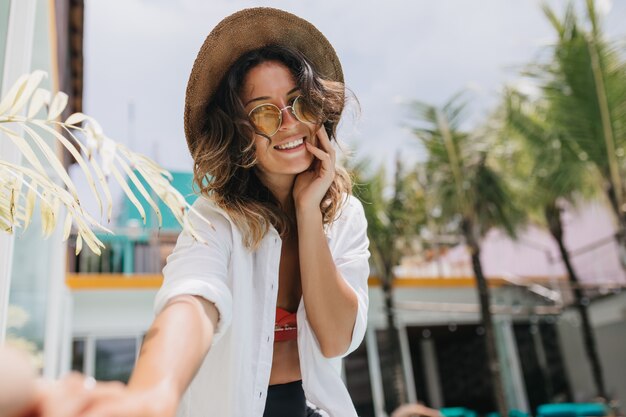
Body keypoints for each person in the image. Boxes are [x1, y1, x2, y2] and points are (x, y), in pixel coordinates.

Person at [12, 7, 370, 417]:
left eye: (299, 104)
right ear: (239, 132)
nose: (289, 123)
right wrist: (152, 394)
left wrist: (308, 213)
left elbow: (337, 340)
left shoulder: (344, 215)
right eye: (265, 112)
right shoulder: (215, 217)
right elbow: (194, 298)